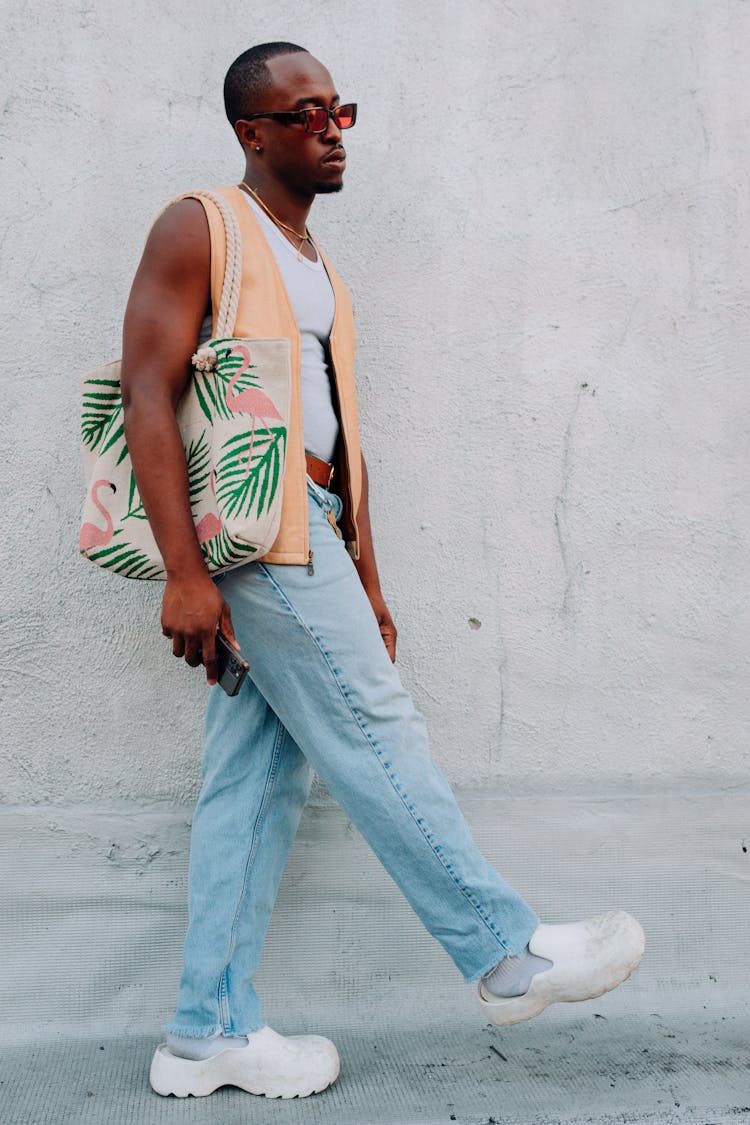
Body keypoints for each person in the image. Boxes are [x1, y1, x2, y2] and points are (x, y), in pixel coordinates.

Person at [120, 42, 645, 1102]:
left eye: (340, 109)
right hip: (258, 533)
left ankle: (204, 1030)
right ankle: (505, 953)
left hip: (313, 526)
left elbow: (339, 435)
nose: (330, 128)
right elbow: (145, 387)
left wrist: (369, 575)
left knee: (253, 784)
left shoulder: (313, 266)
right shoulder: (201, 223)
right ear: (250, 134)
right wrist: (184, 572)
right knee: (375, 725)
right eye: (302, 112)